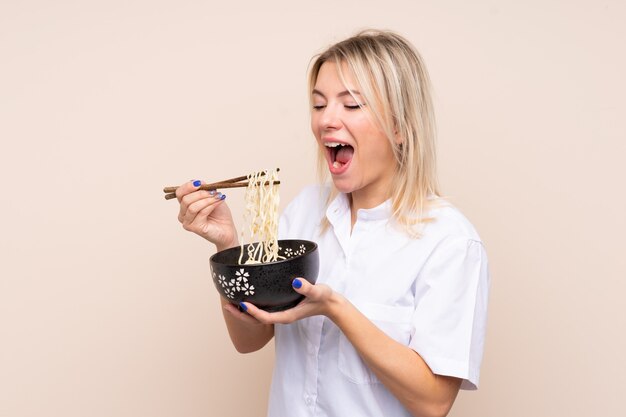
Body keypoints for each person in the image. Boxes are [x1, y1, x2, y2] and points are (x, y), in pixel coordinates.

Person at [174, 29, 490, 417]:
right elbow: (250, 338)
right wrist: (228, 248)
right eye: (319, 105)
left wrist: (336, 309)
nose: (326, 120)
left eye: (352, 105)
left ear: (401, 127)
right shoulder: (305, 210)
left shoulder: (448, 241)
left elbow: (433, 401)